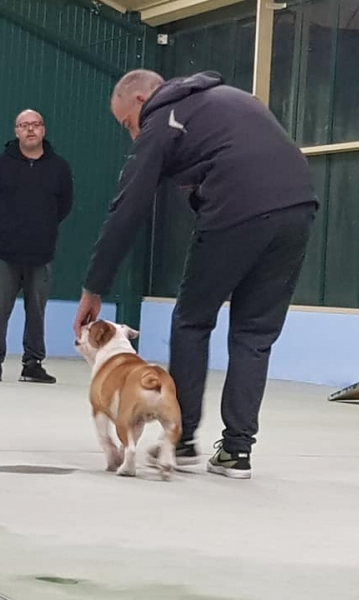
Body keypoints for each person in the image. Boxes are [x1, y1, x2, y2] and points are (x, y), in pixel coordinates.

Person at [73, 69, 318, 479]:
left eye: (127, 125)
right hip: (299, 208)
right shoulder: (231, 98)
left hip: (237, 209)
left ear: (139, 101)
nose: (133, 135)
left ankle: (180, 440)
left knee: (192, 320)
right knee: (255, 334)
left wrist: (94, 286)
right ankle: (237, 452)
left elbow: (128, 207)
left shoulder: (160, 119)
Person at [0, 109, 74, 384]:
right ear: (16, 131)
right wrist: (5, 226)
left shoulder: (59, 167)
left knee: (37, 311)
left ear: (43, 130)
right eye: (24, 125)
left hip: (41, 253)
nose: (30, 130)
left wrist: (43, 228)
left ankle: (33, 364)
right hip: (5, 253)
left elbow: (64, 205)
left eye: (35, 125)